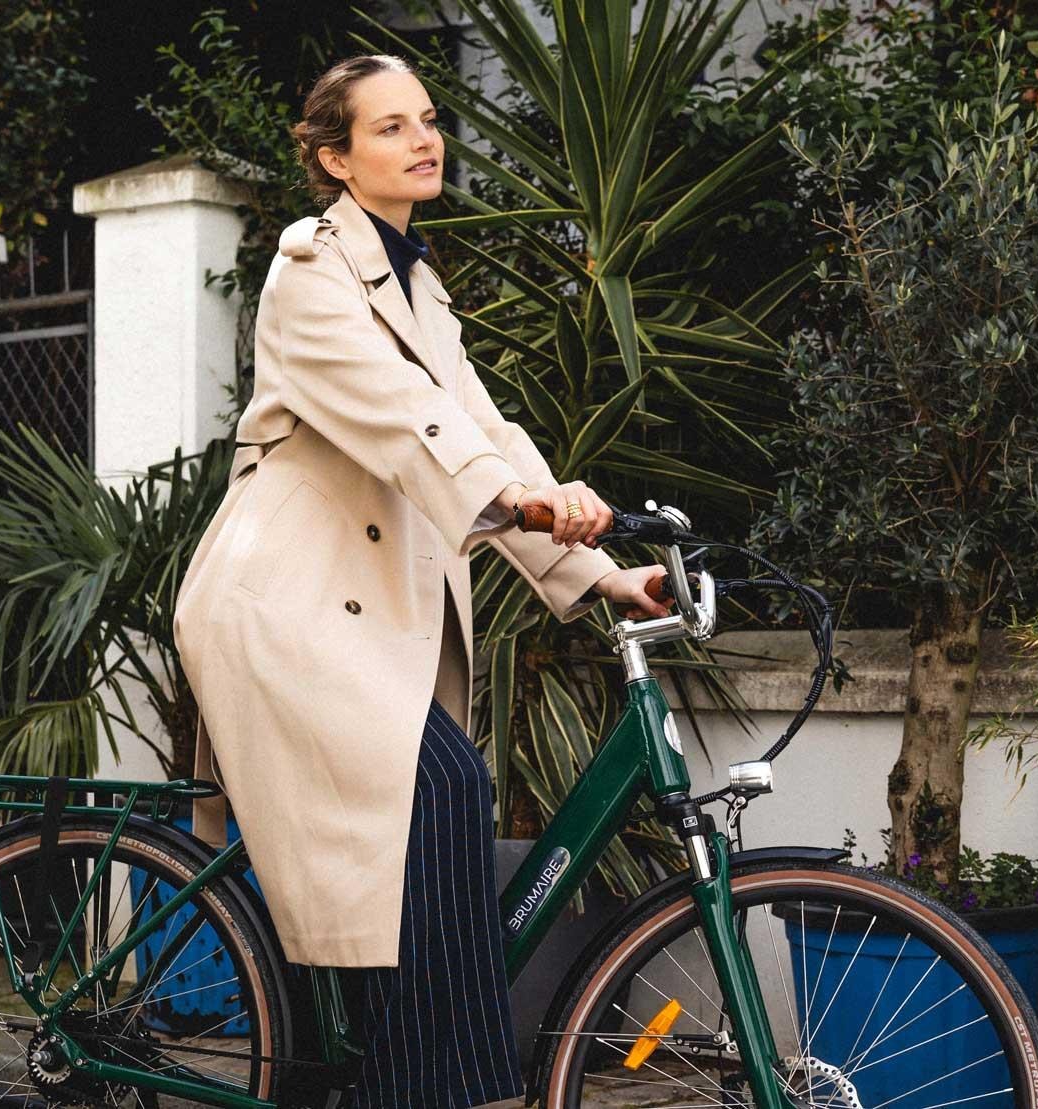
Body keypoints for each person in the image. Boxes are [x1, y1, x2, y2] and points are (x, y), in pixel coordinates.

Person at [171, 52, 674, 1108]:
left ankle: (397, 1079)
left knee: (435, 803)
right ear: (334, 158)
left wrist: (601, 571)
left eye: (430, 119)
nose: (423, 139)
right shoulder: (309, 272)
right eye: (391, 126)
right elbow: (405, 423)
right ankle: (427, 1089)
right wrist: (519, 500)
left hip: (351, 617)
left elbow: (482, 425)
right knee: (441, 784)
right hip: (281, 603)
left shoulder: (419, 285)